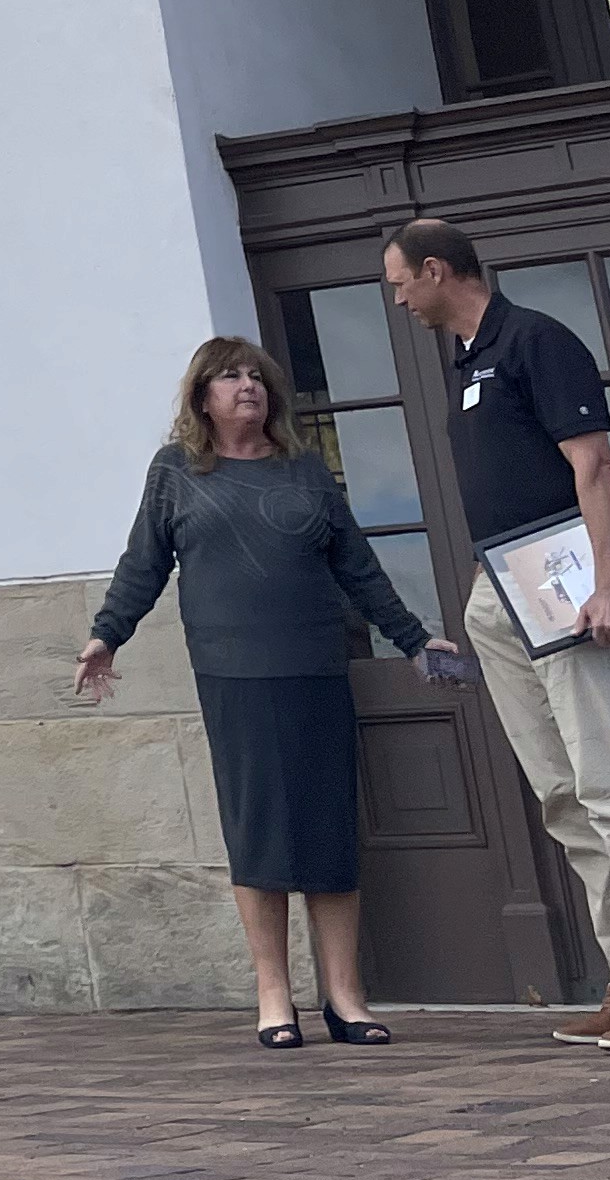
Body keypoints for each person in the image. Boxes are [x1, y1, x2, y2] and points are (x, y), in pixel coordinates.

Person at [76, 336, 465, 1045]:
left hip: (313, 668)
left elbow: (360, 569)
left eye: (256, 376)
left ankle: (346, 998)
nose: (246, 386)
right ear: (202, 396)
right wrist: (107, 635)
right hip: (234, 676)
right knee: (258, 833)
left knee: (326, 831)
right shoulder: (176, 474)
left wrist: (412, 638)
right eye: (229, 377)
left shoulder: (307, 473)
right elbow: (143, 565)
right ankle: (274, 996)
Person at [383, 213, 610, 1051]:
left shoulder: (534, 340)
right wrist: (477, 591)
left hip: (569, 580)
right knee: (561, 793)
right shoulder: (463, 364)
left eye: (399, 282)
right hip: (502, 587)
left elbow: (592, 464)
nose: (397, 298)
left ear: (435, 269)